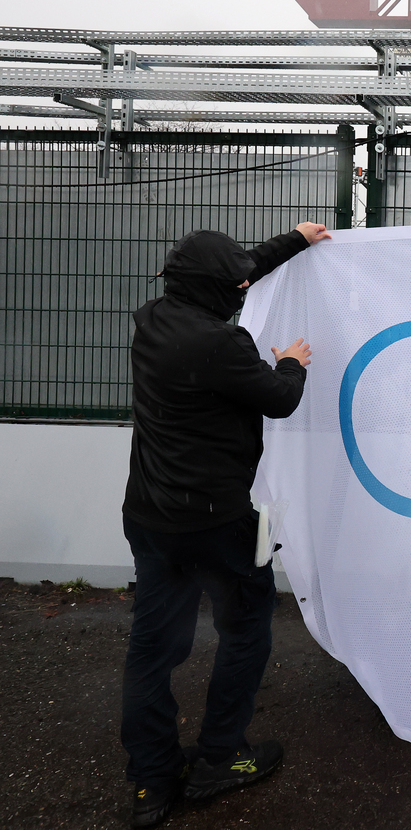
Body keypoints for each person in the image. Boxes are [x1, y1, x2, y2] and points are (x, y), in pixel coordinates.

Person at [121, 223, 330, 828]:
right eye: (236, 282)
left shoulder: (153, 320)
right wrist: (292, 363)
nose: (244, 286)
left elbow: (230, 273)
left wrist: (290, 241)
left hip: (151, 519)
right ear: (218, 291)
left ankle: (151, 785)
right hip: (221, 525)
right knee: (244, 632)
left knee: (152, 652)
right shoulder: (222, 345)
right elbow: (280, 398)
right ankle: (220, 758)